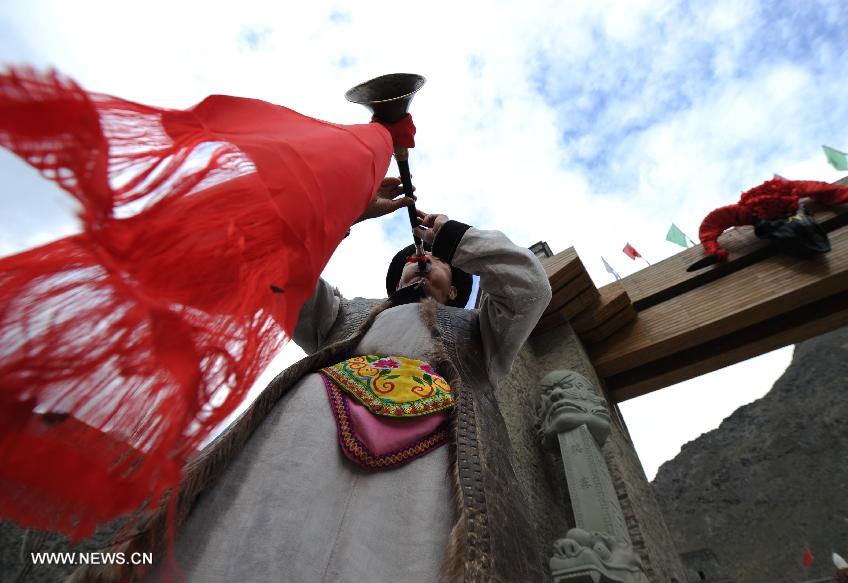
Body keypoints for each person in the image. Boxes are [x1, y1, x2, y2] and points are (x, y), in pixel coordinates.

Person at [121, 180, 553, 582]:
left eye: (435, 259)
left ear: (457, 289)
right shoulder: (347, 315)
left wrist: (452, 236)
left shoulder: (483, 333)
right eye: (412, 260)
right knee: (255, 533)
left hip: (434, 455)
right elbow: (282, 267)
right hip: (307, 432)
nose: (419, 260)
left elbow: (530, 286)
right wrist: (348, 210)